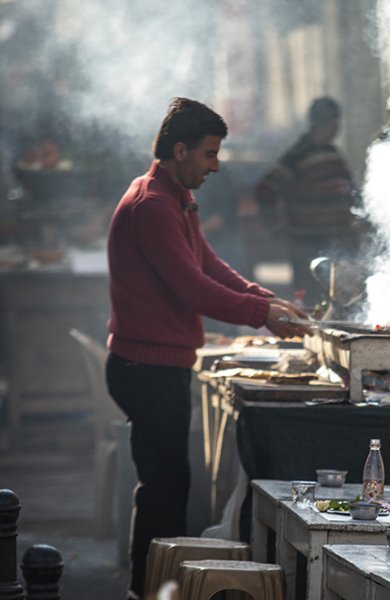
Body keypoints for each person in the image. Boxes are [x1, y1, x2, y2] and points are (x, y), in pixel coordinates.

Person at [105, 97, 308, 600]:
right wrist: (263, 316)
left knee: (169, 485)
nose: (215, 166)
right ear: (180, 150)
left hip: (159, 364)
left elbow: (208, 264)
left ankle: (152, 587)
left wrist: (265, 297)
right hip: (145, 367)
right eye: (210, 154)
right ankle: (148, 590)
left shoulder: (174, 195)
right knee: (165, 489)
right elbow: (191, 289)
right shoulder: (153, 204)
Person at [256, 97, 358, 299]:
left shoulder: (333, 153)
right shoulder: (297, 155)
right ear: (330, 123)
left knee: (338, 298)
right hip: (307, 243)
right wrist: (275, 226)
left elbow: (349, 192)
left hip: (337, 241)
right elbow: (265, 189)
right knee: (311, 297)